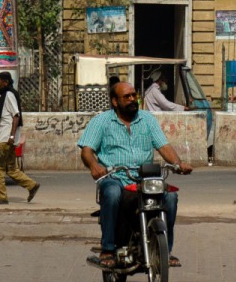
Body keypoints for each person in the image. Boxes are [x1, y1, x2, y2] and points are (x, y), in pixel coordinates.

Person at [78, 80, 192, 270]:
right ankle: (107, 249)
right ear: (115, 101)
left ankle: (166, 251)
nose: (132, 99)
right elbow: (87, 150)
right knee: (113, 193)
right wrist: (94, 166)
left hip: (145, 178)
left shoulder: (147, 119)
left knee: (170, 197)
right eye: (127, 96)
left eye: (134, 95)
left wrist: (178, 164)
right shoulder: (102, 121)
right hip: (115, 177)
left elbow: (163, 146)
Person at [0, 70, 39, 206]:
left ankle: (1, 196)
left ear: (6, 82)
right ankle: (31, 185)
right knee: (11, 169)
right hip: (7, 138)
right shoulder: (7, 94)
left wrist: (10, 135)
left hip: (5, 139)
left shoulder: (8, 95)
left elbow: (16, 115)